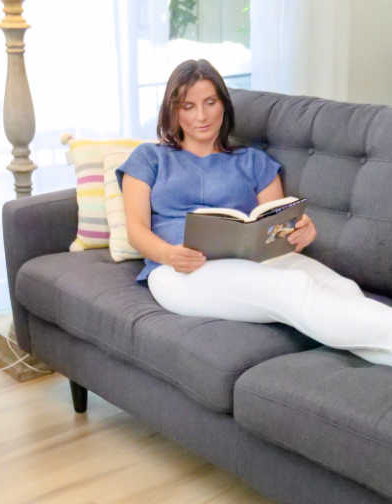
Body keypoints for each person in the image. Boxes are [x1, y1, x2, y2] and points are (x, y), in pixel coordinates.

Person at [117, 58, 392, 367]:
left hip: (253, 261)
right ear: (173, 110)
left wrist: (299, 233)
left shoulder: (252, 161)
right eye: (188, 106)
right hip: (179, 272)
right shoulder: (149, 158)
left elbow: (273, 225)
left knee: (343, 289)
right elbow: (136, 229)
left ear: (224, 104)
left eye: (210, 102)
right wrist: (169, 255)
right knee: (295, 289)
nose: (202, 116)